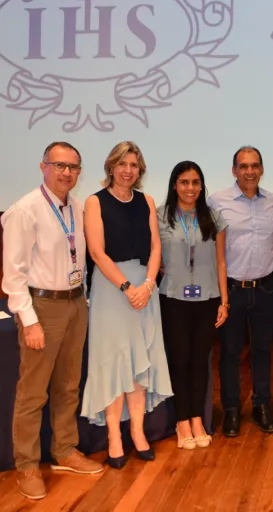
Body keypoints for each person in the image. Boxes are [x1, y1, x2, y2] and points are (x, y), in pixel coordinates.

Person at [1, 142, 104, 500]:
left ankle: (64, 450)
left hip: (76, 303)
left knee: (68, 385)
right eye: (59, 165)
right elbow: (13, 276)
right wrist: (29, 320)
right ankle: (27, 465)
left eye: (73, 167)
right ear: (43, 167)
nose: (66, 172)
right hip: (42, 307)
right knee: (33, 392)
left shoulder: (77, 207)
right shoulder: (24, 211)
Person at [81, 141, 173, 469]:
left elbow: (156, 247)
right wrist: (126, 287)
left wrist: (147, 285)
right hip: (111, 289)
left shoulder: (146, 201)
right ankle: (114, 438)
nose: (128, 170)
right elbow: (96, 252)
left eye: (134, 165)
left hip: (144, 290)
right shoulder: (94, 202)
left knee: (138, 362)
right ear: (111, 167)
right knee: (112, 361)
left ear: (140, 170)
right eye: (122, 164)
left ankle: (137, 432)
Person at [208, 146, 273, 436]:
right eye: (243, 166)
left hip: (265, 288)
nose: (249, 171)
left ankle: (262, 406)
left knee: (263, 350)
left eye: (254, 166)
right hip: (232, 289)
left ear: (261, 169)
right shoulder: (217, 201)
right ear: (234, 170)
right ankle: (231, 409)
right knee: (230, 353)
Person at [158, 161, 229, 450]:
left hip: (207, 299)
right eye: (184, 182)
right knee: (179, 361)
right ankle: (181, 421)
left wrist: (224, 301)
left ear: (202, 186)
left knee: (200, 362)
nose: (190, 188)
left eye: (195, 182)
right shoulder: (160, 216)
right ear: (175, 185)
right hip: (173, 299)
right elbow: (153, 255)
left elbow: (221, 261)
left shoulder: (214, 217)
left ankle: (197, 418)